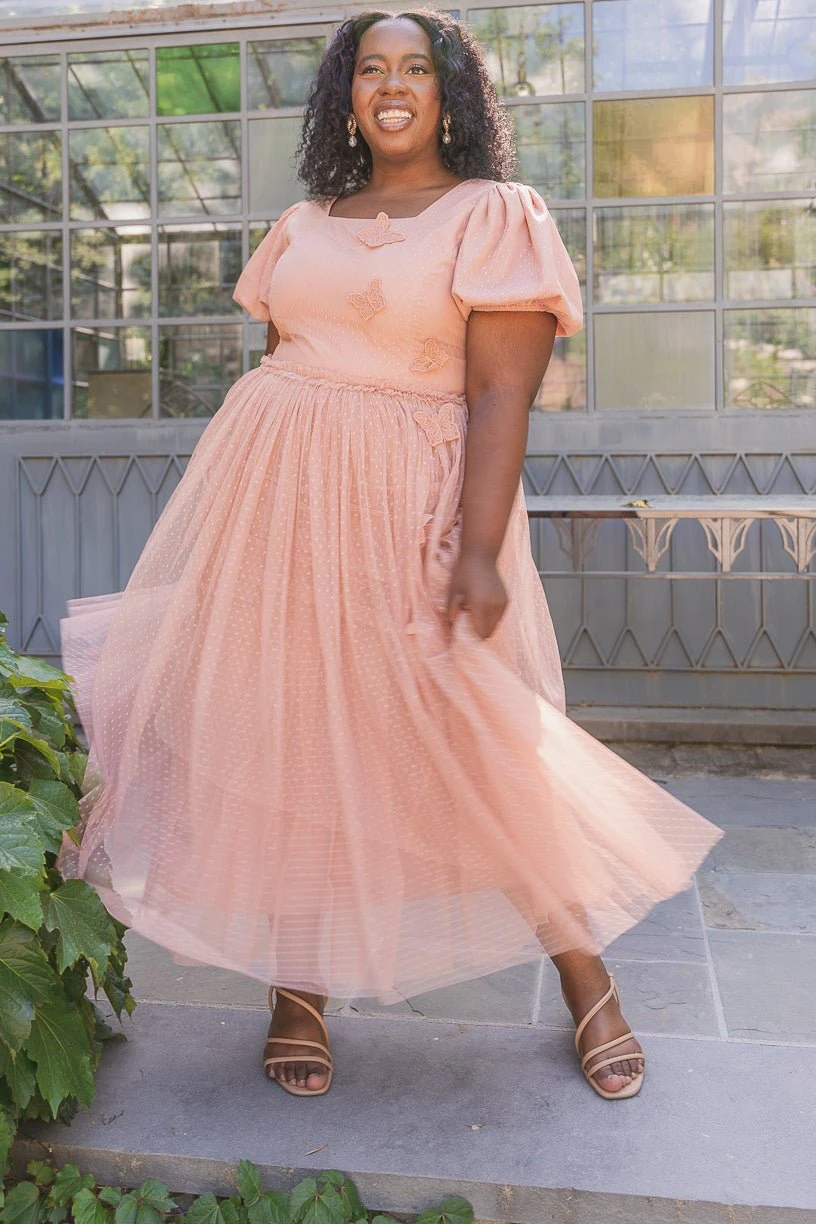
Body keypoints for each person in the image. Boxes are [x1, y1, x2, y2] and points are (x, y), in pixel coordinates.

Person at [59, 8, 722, 1103]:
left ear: (452, 95)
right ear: (347, 95)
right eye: (372, 68)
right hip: (278, 513)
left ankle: (588, 980)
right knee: (290, 736)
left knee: (480, 744)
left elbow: (501, 393)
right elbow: (290, 365)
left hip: (414, 510)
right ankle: (299, 988)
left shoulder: (495, 214)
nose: (394, 84)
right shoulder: (302, 223)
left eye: (418, 67)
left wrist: (479, 546)